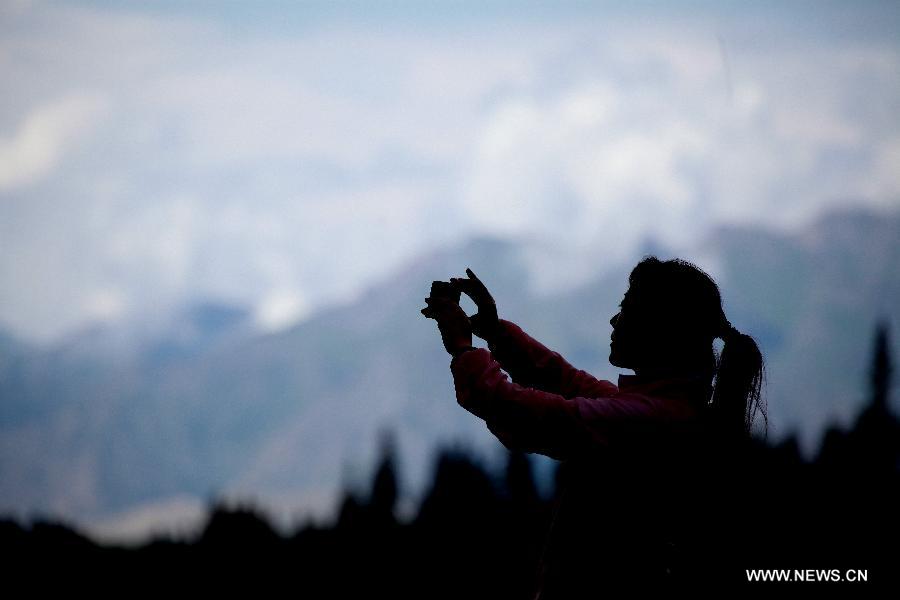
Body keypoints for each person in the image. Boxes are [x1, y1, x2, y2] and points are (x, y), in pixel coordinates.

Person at [421, 258, 766, 597]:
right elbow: (567, 382)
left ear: (660, 330)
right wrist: (495, 330)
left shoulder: (647, 421)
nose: (614, 319)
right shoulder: (671, 410)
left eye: (628, 310)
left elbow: (522, 412)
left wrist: (462, 348)